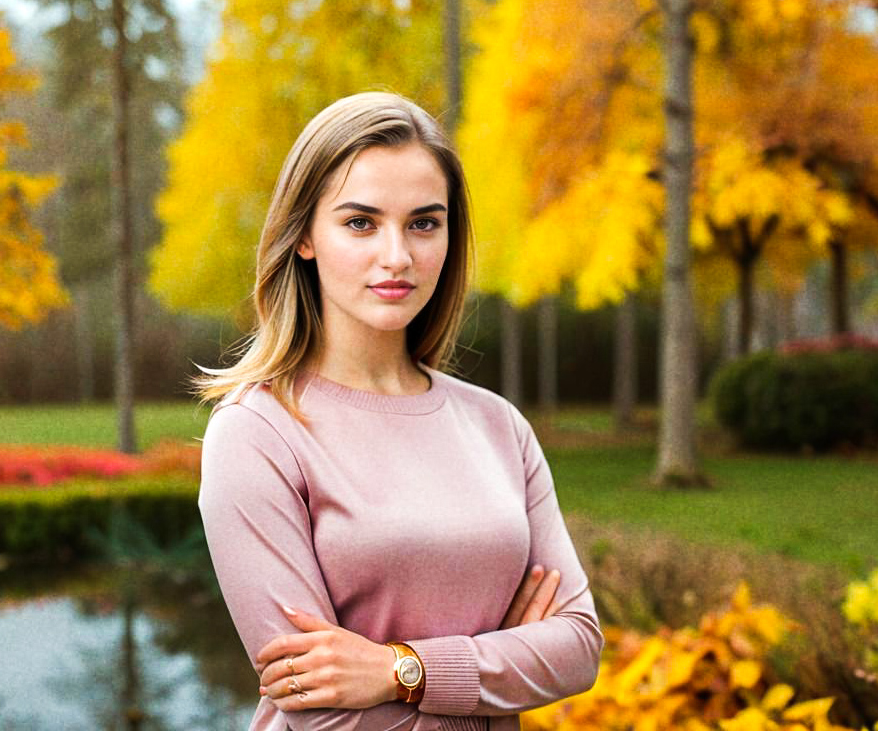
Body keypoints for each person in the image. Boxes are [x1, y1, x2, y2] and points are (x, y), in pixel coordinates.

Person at [197, 91, 603, 731]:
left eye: (424, 222)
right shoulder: (256, 432)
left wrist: (399, 671)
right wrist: (498, 676)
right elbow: (319, 710)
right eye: (360, 222)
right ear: (304, 236)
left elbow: (577, 647)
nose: (398, 257)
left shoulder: (498, 426)